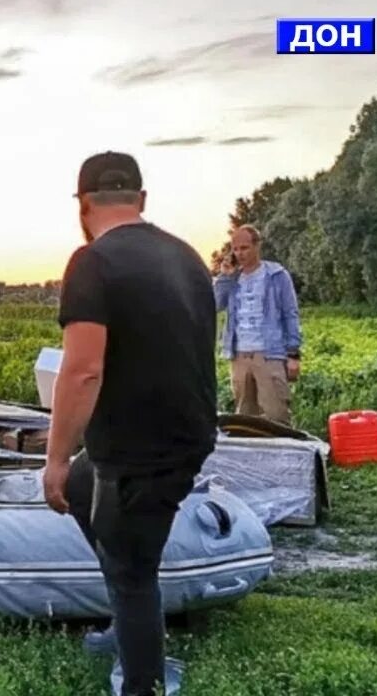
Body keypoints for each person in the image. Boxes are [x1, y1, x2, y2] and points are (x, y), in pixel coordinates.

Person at [42, 152, 218, 696]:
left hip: (143, 450)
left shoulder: (91, 261)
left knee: (131, 567)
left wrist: (51, 458)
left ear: (84, 205)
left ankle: (145, 680)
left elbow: (83, 370)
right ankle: (129, 620)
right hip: (184, 432)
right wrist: (70, 465)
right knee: (80, 484)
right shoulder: (186, 256)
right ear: (141, 200)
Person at [214, 224, 302, 425]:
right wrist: (225, 276)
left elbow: (290, 314)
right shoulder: (231, 279)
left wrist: (293, 354)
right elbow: (215, 304)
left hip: (269, 354)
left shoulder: (277, 275)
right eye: (235, 249)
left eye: (244, 248)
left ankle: (282, 455)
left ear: (257, 246)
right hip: (238, 356)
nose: (239, 253)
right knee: (244, 420)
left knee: (277, 416)